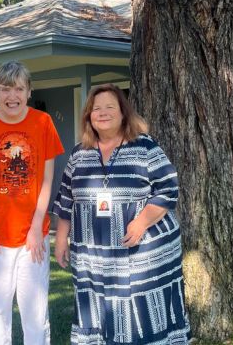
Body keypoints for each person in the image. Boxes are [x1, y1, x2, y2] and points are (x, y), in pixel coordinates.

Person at [53, 83, 191, 344]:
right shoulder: (78, 153)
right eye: (96, 109)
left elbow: (168, 187)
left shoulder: (144, 147)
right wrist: (61, 239)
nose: (102, 113)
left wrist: (141, 223)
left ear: (123, 113)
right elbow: (65, 199)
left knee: (141, 304)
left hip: (141, 249)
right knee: (97, 304)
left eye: (110, 107)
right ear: (88, 116)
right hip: (93, 252)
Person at [0, 61, 64, 345]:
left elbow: (47, 180)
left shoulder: (42, 123)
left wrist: (36, 228)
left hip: (33, 235)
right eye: (5, 88)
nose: (12, 96)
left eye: (19, 88)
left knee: (35, 313)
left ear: (29, 91)